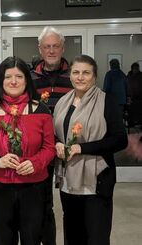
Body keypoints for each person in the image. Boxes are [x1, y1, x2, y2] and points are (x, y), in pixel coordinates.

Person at [0, 56, 56, 245]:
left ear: (27, 80)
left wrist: (35, 162)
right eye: (8, 77)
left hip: (33, 187)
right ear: (0, 81)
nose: (13, 81)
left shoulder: (40, 110)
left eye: (19, 77)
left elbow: (49, 147)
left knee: (31, 236)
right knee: (2, 238)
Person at [53, 54, 128, 245]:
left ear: (94, 76)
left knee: (96, 236)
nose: (80, 77)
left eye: (86, 73)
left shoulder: (106, 101)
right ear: (70, 75)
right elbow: (55, 133)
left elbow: (120, 140)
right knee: (73, 234)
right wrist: (57, 143)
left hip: (97, 180)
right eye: (76, 72)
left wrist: (81, 148)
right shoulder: (63, 102)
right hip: (68, 180)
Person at [31, 26, 73, 245]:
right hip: (42, 150)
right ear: (40, 49)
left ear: (62, 47)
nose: (51, 50)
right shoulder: (30, 77)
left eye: (55, 46)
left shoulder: (75, 74)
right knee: (43, 203)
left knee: (72, 203)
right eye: (47, 46)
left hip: (71, 149)